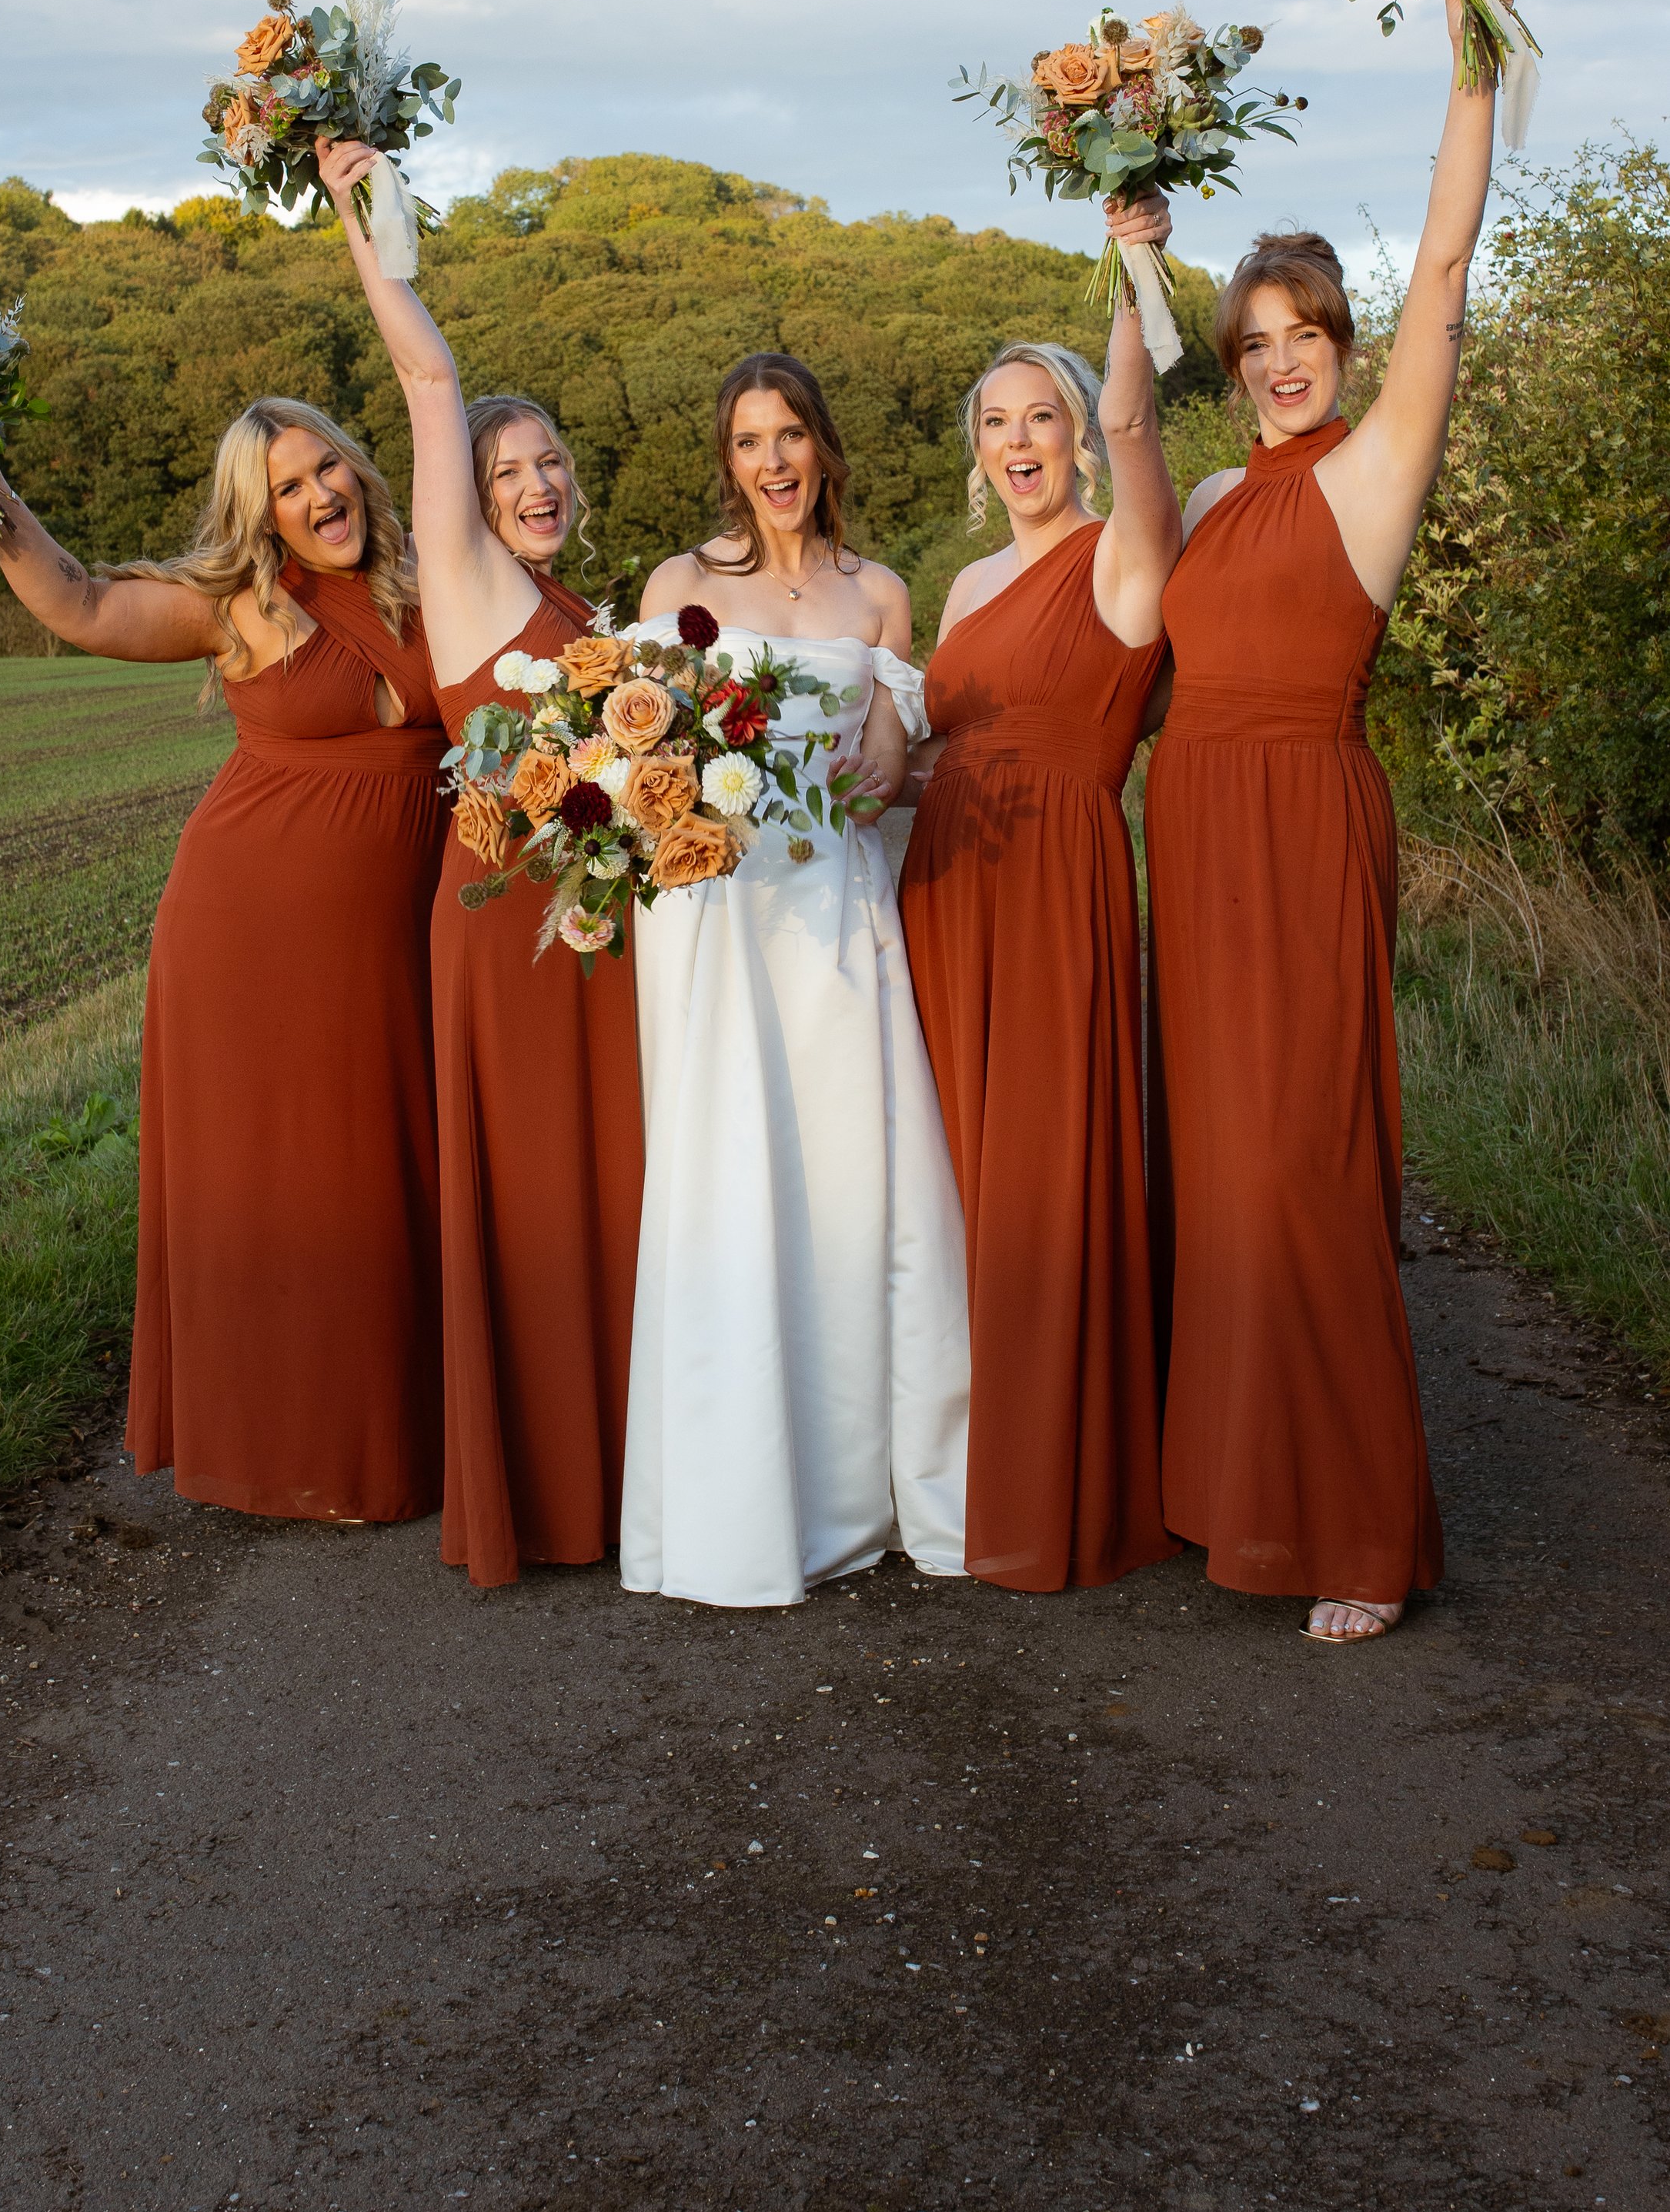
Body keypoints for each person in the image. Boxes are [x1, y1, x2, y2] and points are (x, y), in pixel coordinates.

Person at [1145, 0, 1516, 1644]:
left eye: (1304, 336)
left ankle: (1362, 1530)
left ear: (1344, 350)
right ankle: (1245, 1505)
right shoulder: (1217, 504)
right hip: (1196, 833)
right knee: (1221, 1170)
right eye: (1253, 344)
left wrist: (1468, 46)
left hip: (1297, 831)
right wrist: (1126, 248)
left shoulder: (1370, 474)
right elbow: (1119, 444)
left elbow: (1443, 264)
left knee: (1300, 1166)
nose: (1280, 362)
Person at [0, 398, 448, 1523]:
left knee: (376, 1172)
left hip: (386, 942)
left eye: (327, 468)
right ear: (263, 516)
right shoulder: (242, 606)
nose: (320, 496)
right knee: (279, 1181)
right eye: (289, 489)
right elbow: (86, 602)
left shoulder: (428, 580)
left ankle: (389, 1439)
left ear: (358, 467)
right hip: (244, 936)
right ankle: (288, 1453)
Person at [317, 134, 642, 1591]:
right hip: (500, 914)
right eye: (509, 469)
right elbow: (429, 385)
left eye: (552, 461)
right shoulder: (464, 578)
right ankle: (537, 1494)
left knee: (612, 1184)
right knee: (528, 1192)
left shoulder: (591, 602)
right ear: (466, 494)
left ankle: (631, 1472)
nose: (536, 483)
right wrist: (365, 219)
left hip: (600, 922)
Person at [621, 351, 970, 1606]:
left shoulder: (881, 594)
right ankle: (730, 1498)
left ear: (823, 447)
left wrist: (894, 763)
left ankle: (855, 1493)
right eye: (747, 441)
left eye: (790, 437)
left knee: (847, 1184)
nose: (771, 462)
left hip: (832, 910)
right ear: (726, 459)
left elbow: (882, 771)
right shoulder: (678, 583)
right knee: (730, 1180)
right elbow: (636, 749)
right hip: (715, 917)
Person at [899, 204, 1182, 1593]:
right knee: (951, 1177)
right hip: (939, 888)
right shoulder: (961, 584)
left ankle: (1055, 1485)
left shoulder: (1127, 557)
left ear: (1078, 433)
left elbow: (1141, 432)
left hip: (1055, 875)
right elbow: (925, 751)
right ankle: (960, 1471)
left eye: (1046, 416)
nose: (1021, 441)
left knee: (1044, 1172)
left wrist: (1134, 256)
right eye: (999, 422)